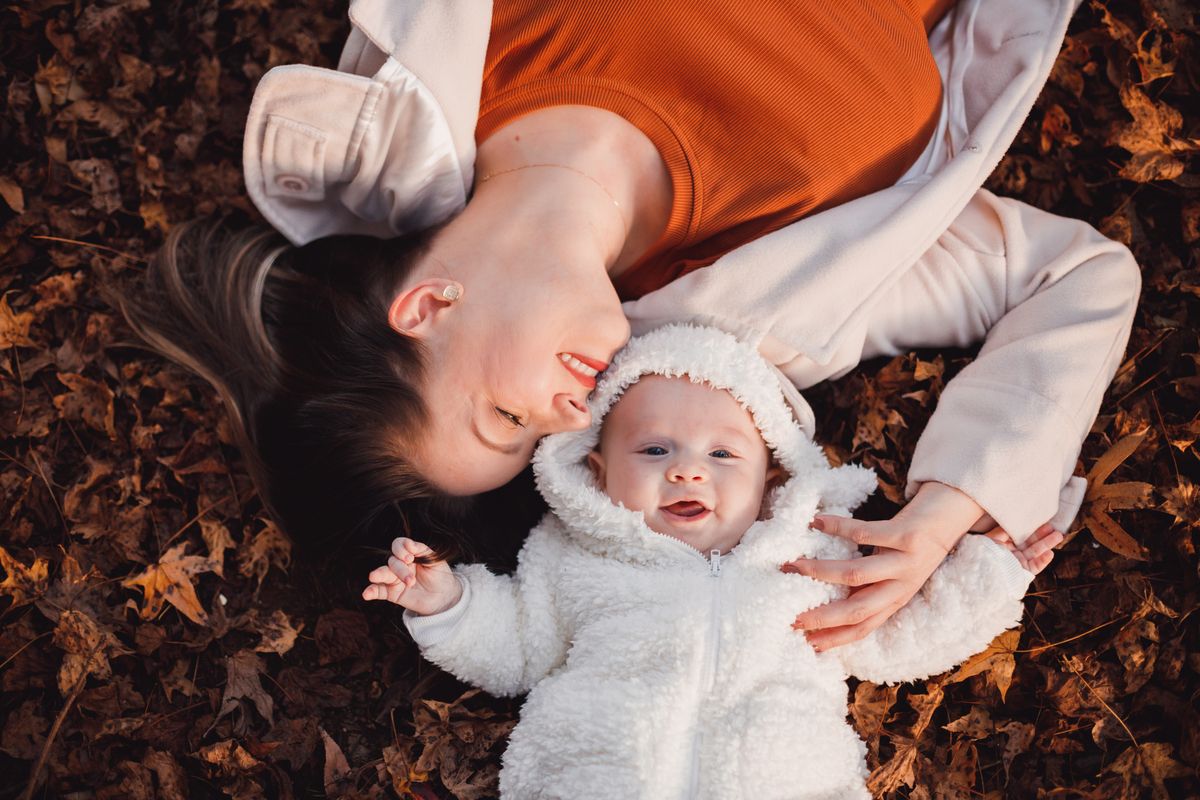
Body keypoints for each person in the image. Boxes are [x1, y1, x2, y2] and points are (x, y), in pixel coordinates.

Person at [120, 0, 1140, 649]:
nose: (568, 419)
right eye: (535, 443)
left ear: (427, 306)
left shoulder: (459, 53)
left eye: (502, 417)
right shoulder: (765, 294)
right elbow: (1078, 274)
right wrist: (948, 509)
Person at [362, 325, 1063, 799]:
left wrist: (988, 573)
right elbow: (517, 643)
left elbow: (897, 633)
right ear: (598, 471)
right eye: (655, 451)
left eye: (722, 455)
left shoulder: (814, 556)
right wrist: (448, 603)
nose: (688, 473)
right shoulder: (573, 556)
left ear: (772, 479)